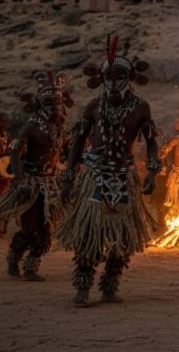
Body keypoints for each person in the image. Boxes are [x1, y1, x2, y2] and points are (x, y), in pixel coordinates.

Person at [57, 35, 161, 306]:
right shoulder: (93, 106)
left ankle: (110, 285)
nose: (114, 82)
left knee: (123, 238)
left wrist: (152, 171)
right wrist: (68, 175)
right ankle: (82, 285)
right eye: (109, 77)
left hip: (124, 176)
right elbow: (78, 141)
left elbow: (151, 142)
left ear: (130, 77)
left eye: (120, 76)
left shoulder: (140, 107)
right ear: (101, 78)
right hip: (94, 173)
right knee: (90, 234)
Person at [0, 72, 72, 280]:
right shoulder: (33, 124)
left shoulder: (60, 126)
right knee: (30, 227)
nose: (54, 106)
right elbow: (15, 149)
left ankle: (31, 266)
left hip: (50, 184)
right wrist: (19, 177)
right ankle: (14, 257)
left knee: (46, 228)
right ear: (40, 103)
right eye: (49, 102)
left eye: (57, 101)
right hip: (30, 183)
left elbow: (67, 150)